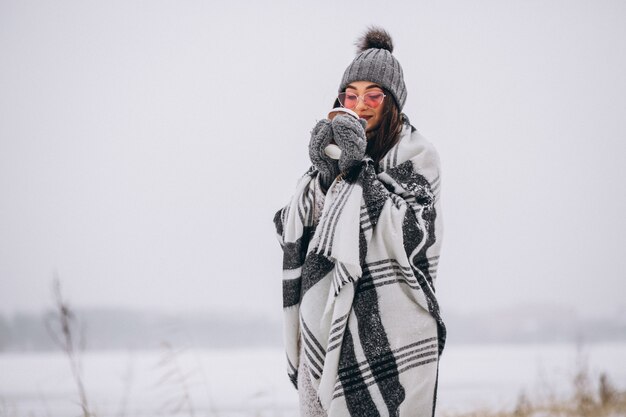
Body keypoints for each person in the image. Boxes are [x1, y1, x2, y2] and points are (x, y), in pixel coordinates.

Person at [273, 26, 446, 417]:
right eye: (351, 95)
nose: (361, 104)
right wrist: (324, 174)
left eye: (373, 95)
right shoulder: (334, 156)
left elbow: (414, 233)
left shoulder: (418, 155)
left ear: (393, 103)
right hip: (326, 316)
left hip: (397, 327)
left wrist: (355, 171)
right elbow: (294, 228)